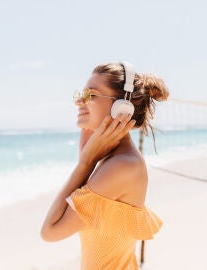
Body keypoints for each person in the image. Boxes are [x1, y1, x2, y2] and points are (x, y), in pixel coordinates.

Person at [41, 62, 169, 269]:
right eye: (80, 95)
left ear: (122, 107)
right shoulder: (114, 157)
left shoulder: (122, 167)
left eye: (90, 95)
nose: (79, 102)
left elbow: (50, 231)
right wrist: (89, 137)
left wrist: (86, 162)